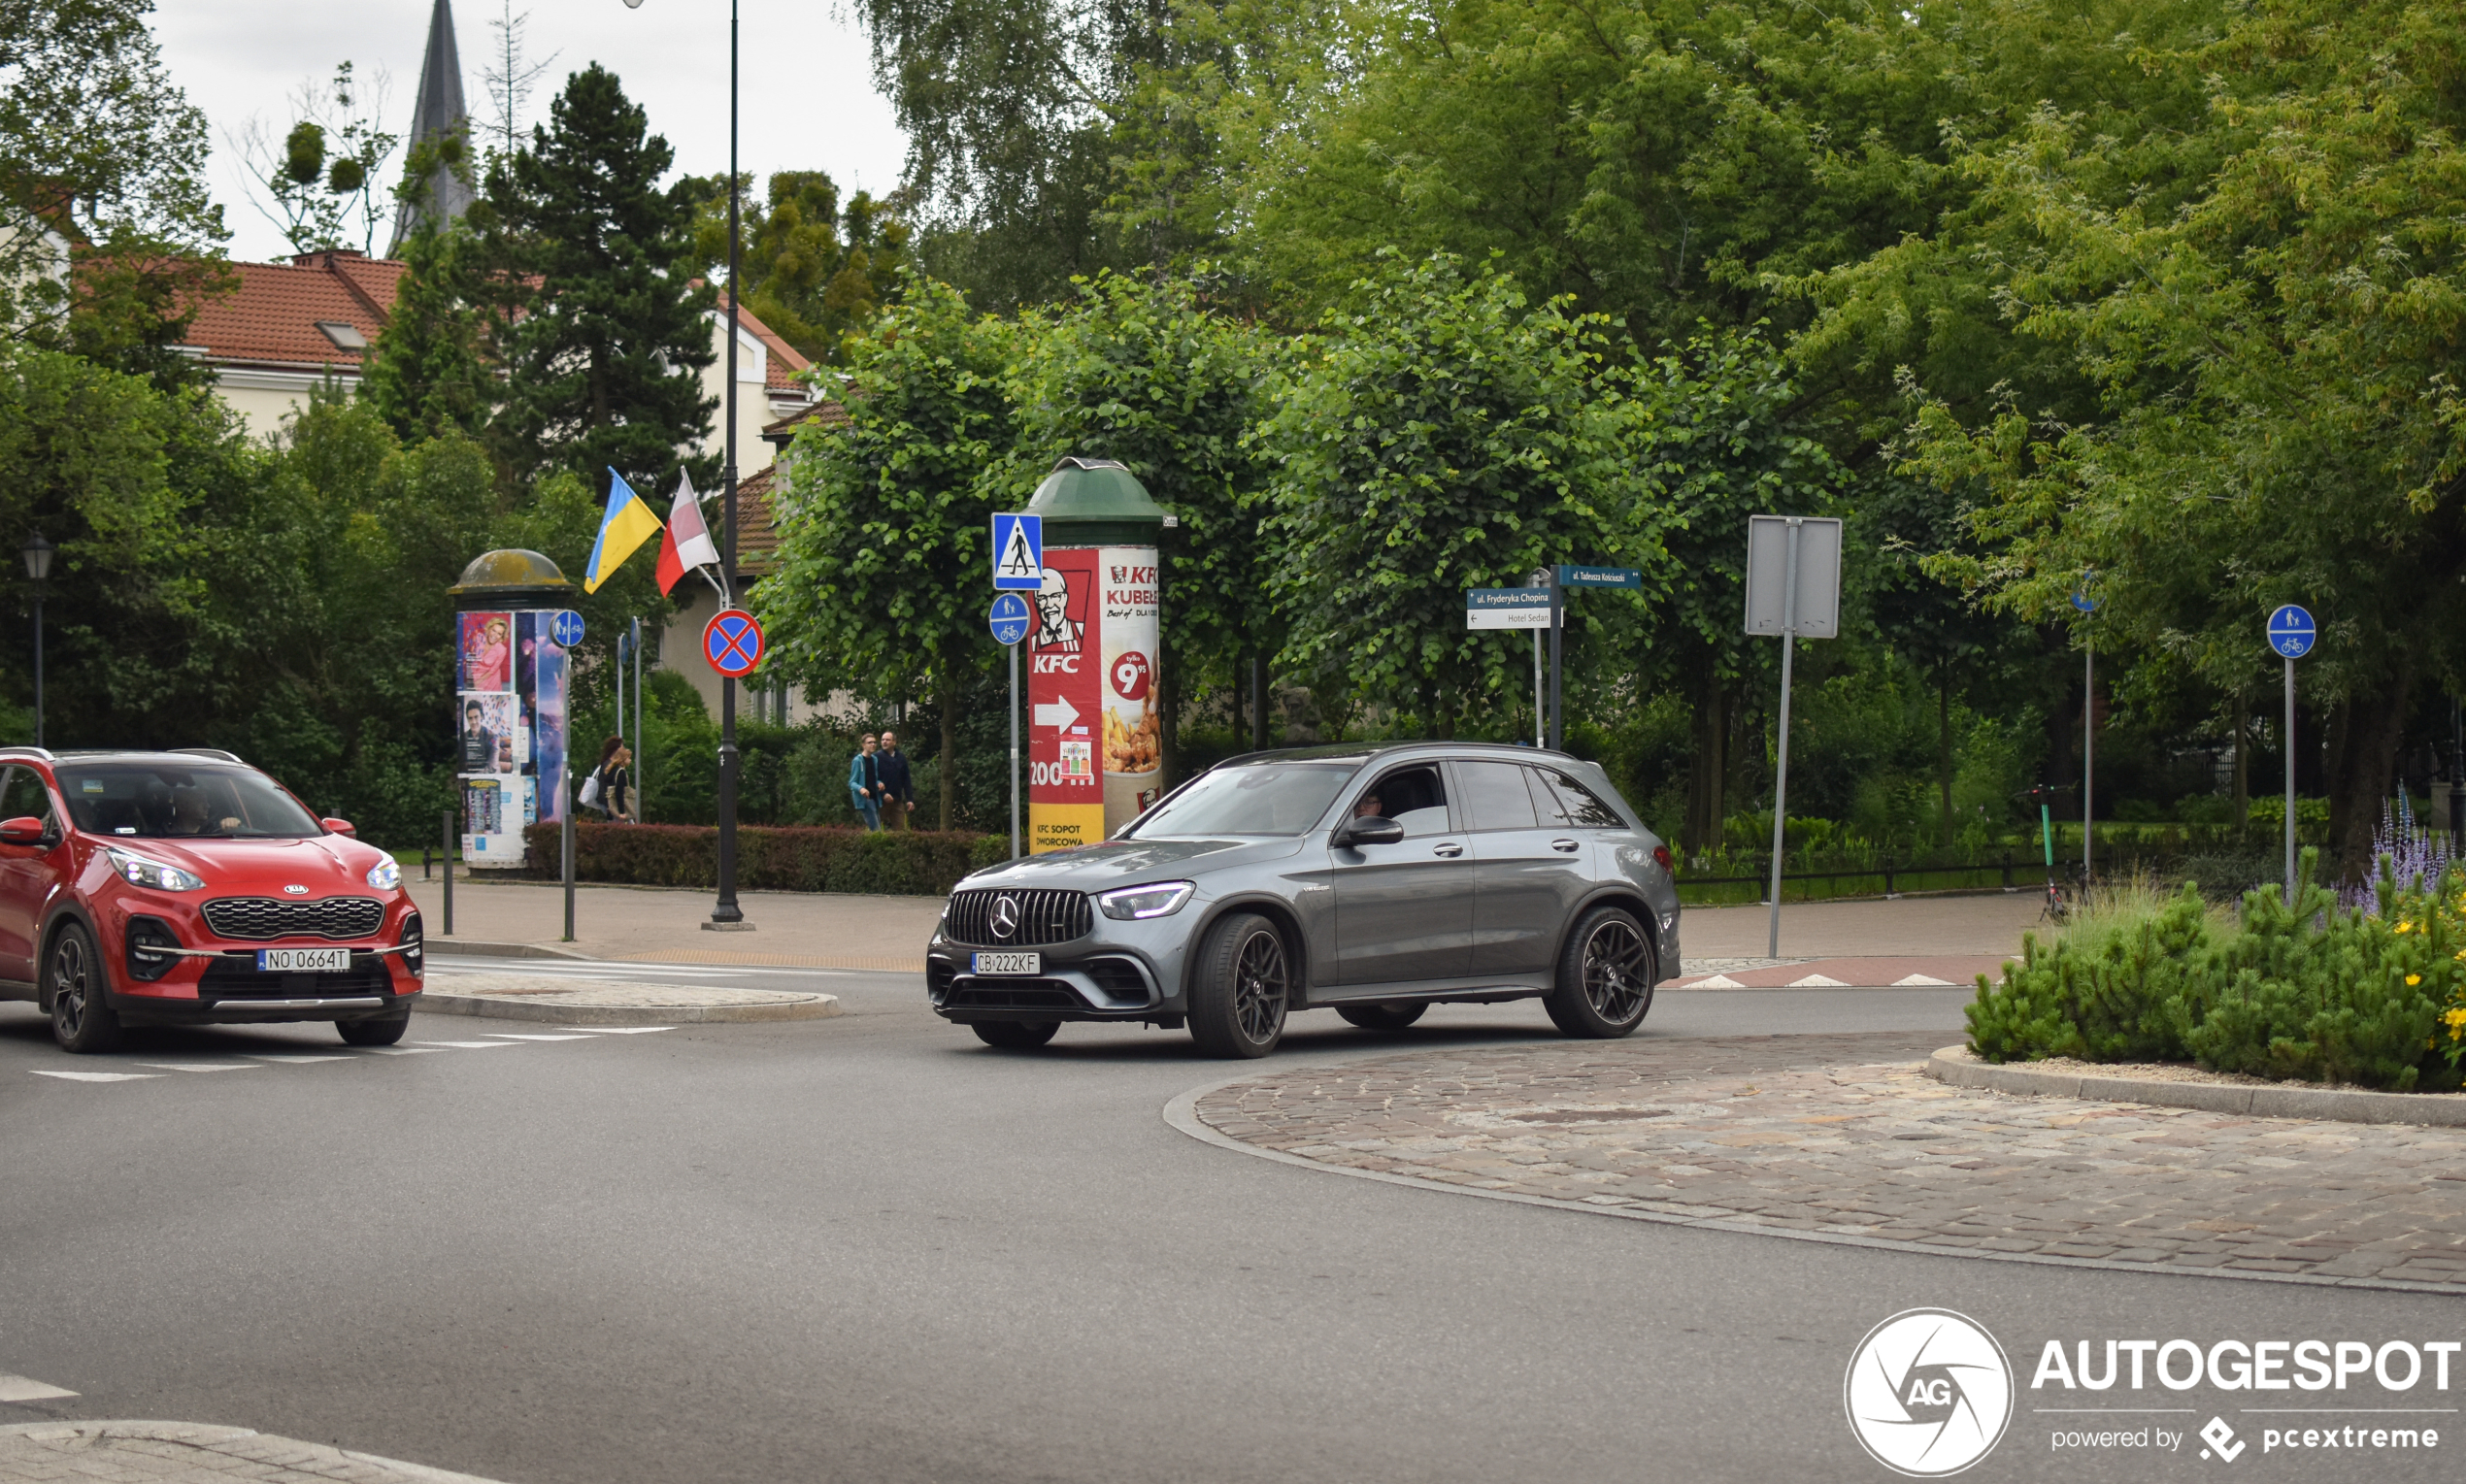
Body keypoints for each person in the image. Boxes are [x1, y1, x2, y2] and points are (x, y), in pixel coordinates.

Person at [588, 735, 637, 823]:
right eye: (622, 748)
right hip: (614, 804)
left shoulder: (606, 765)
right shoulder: (617, 770)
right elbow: (617, 789)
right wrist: (620, 811)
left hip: (608, 803)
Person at [877, 730, 915, 830]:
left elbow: (906, 779)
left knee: (900, 830)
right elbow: (872, 779)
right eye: (883, 740)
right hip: (880, 800)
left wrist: (909, 799)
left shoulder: (901, 758)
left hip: (897, 800)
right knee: (875, 829)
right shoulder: (877, 757)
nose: (884, 742)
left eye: (888, 740)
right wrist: (883, 793)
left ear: (894, 742)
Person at [848, 733, 883, 831]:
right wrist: (861, 789)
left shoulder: (874, 759)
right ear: (863, 745)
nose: (873, 744)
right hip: (865, 799)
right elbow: (852, 782)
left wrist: (879, 783)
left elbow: (873, 779)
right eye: (869, 742)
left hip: (875, 797)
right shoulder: (858, 761)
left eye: (874, 742)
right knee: (876, 830)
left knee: (876, 829)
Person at [460, 700, 496, 775]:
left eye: (476, 717)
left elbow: (491, 766)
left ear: (482, 716)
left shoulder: (492, 737)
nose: (473, 722)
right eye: (470, 718)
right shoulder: (463, 738)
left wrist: (474, 776)